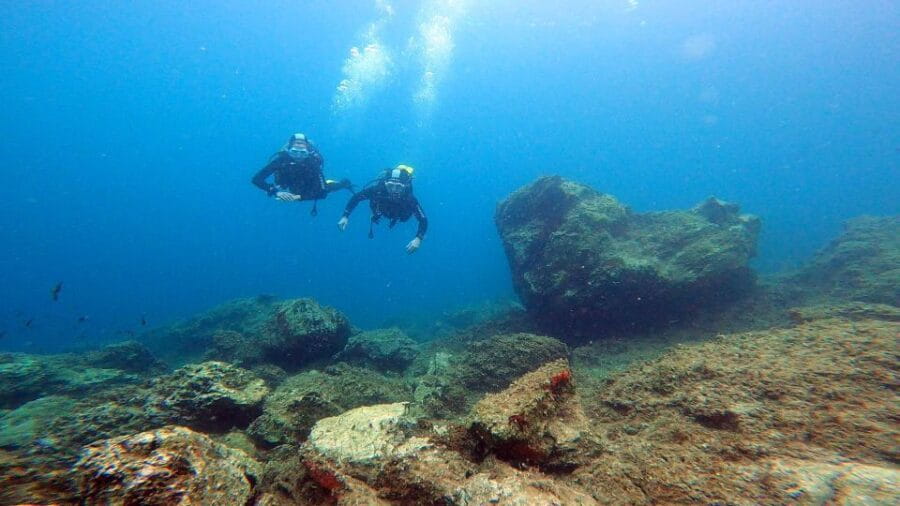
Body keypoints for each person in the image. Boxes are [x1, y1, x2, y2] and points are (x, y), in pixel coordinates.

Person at [251, 133, 353, 215]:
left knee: (327, 188)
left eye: (302, 153)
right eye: (295, 152)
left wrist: (299, 197)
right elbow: (256, 179)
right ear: (289, 150)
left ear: (307, 152)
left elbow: (321, 192)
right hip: (289, 184)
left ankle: (344, 183)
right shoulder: (281, 160)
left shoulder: (312, 162)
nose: (298, 157)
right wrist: (275, 192)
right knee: (292, 188)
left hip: (310, 185)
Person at [337, 164, 428, 254]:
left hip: (400, 214)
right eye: (390, 186)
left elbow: (423, 219)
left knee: (405, 217)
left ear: (405, 187)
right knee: (376, 207)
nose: (394, 190)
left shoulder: (409, 198)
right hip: (381, 210)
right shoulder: (378, 190)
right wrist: (345, 216)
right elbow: (357, 197)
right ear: (385, 184)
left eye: (398, 187)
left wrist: (418, 238)